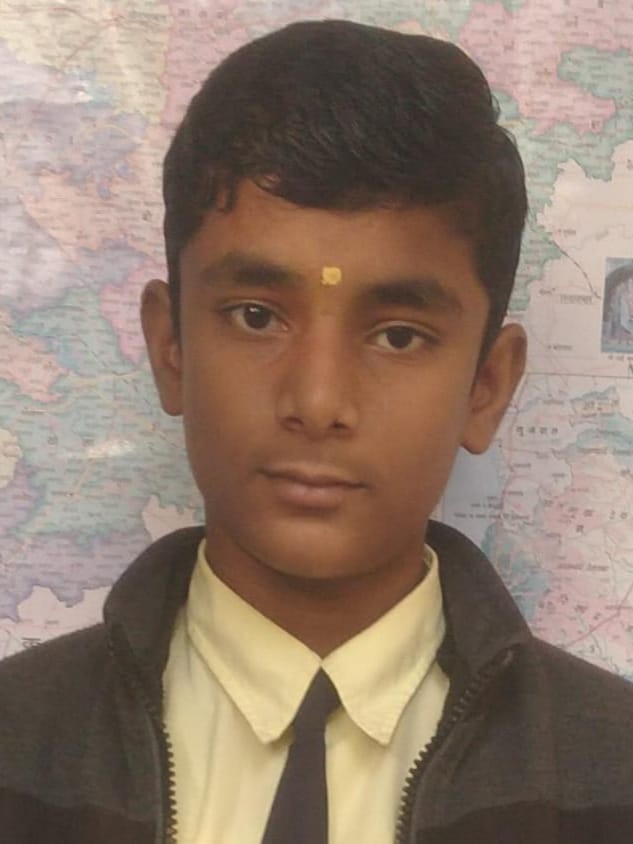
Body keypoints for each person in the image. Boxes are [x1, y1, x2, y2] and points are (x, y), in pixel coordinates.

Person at [1, 19, 632, 844]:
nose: (318, 400)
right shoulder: (16, 746)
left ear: (486, 386)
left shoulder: (612, 776)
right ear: (169, 349)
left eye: (398, 334)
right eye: (255, 316)